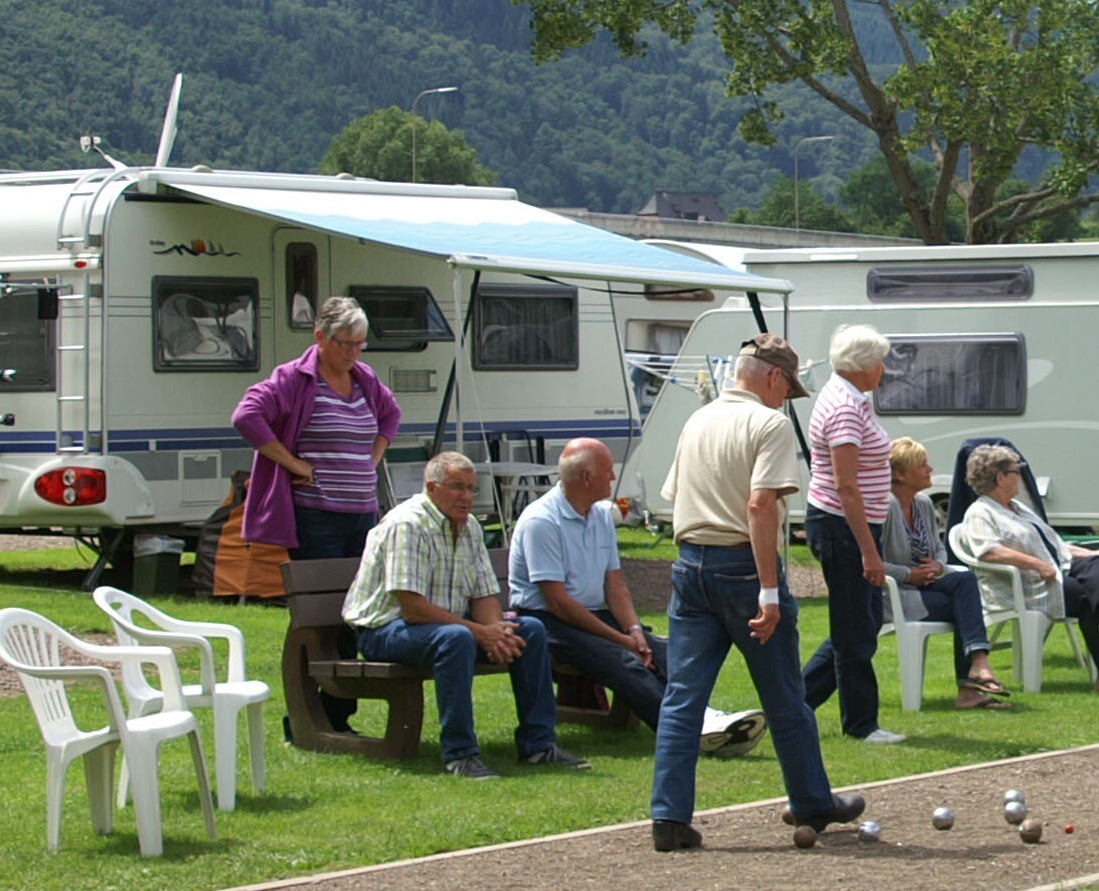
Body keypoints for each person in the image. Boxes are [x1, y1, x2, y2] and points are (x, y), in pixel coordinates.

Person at [648, 335, 863, 853]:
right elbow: (760, 506)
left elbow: (676, 496)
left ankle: (668, 817)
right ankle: (811, 802)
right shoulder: (769, 424)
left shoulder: (697, 420)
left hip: (689, 564)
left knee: (682, 699)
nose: (786, 398)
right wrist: (768, 589)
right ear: (773, 377)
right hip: (742, 568)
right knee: (784, 695)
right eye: (788, 387)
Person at [506, 437, 764, 755]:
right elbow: (558, 602)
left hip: (589, 612)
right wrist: (621, 639)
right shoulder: (541, 521)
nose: (613, 477)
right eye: (607, 470)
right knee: (624, 660)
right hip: (547, 620)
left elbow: (614, 584)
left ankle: (703, 719)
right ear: (586, 477)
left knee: (665, 651)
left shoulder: (601, 515)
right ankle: (684, 732)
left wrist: (634, 630)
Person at [342, 449, 587, 779]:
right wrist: (480, 633)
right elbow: (413, 609)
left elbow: (483, 594)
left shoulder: (470, 526)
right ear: (432, 488)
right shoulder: (408, 525)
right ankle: (460, 754)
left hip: (440, 628)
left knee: (529, 629)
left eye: (472, 488)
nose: (467, 497)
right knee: (456, 638)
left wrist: (497, 631)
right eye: (457, 487)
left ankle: (539, 746)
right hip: (385, 630)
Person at [235, 297, 400, 730]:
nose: (352, 352)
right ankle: (309, 715)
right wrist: (292, 463)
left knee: (355, 612)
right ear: (320, 337)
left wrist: (372, 458)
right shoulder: (295, 378)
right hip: (316, 516)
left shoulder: (364, 378)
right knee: (320, 617)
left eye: (359, 344)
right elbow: (246, 416)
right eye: (345, 342)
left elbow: (391, 414)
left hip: (362, 515)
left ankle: (337, 714)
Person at [807, 437, 1007, 710]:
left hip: (926, 587)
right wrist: (909, 575)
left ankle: (976, 668)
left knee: (965, 580)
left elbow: (939, 548)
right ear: (900, 474)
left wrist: (938, 566)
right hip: (893, 595)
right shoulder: (884, 507)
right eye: (922, 464)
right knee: (966, 606)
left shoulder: (923, 503)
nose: (930, 469)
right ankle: (972, 681)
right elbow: (872, 562)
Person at [955, 443, 1099, 694]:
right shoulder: (980, 512)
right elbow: (989, 551)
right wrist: (1037, 564)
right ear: (1001, 478)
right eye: (1017, 471)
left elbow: (1056, 546)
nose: (1020, 476)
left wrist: (1094, 555)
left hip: (1053, 573)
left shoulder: (1018, 508)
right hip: (1022, 587)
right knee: (1087, 594)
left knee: (1096, 567)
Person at [800, 324, 905, 747]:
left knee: (862, 622)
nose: (883, 369)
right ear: (861, 366)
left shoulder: (852, 399)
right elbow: (846, 487)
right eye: (879, 362)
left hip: (849, 525)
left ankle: (795, 703)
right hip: (841, 526)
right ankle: (861, 723)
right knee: (854, 628)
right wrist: (868, 551)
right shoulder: (845, 407)